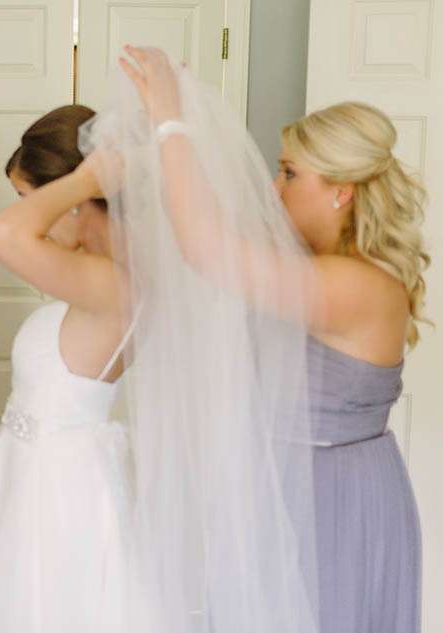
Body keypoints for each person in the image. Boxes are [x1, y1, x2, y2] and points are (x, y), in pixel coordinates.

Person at [118, 45, 426, 633]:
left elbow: (208, 249)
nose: (273, 185)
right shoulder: (311, 262)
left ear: (342, 190)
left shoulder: (355, 283)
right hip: (289, 484)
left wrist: (171, 119)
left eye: (289, 173)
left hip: (334, 500)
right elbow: (208, 220)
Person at [0, 105, 139, 633]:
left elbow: (3, 233)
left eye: (29, 198)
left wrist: (83, 179)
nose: (27, 213)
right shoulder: (94, 272)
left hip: (64, 490)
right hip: (31, 478)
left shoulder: (114, 282)